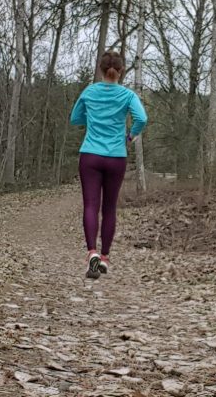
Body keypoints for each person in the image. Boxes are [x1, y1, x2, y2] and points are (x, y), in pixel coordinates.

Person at [69, 51, 148, 279]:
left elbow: (75, 118)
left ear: (101, 70)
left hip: (90, 155)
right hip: (116, 156)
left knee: (90, 205)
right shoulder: (127, 95)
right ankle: (104, 258)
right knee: (110, 207)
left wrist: (93, 120)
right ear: (121, 71)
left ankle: (92, 252)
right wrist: (130, 136)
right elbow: (142, 118)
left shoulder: (89, 92)